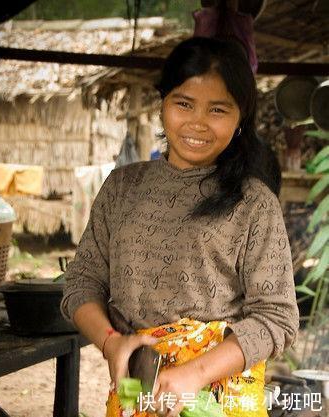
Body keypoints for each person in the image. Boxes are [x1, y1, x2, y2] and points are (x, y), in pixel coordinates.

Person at [61, 37, 299, 417]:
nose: (197, 123)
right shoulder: (122, 188)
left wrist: (194, 374)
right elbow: (81, 282)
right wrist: (112, 343)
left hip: (219, 397)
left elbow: (278, 318)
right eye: (183, 103)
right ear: (162, 104)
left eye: (217, 109)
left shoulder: (254, 204)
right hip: (135, 389)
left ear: (241, 118)